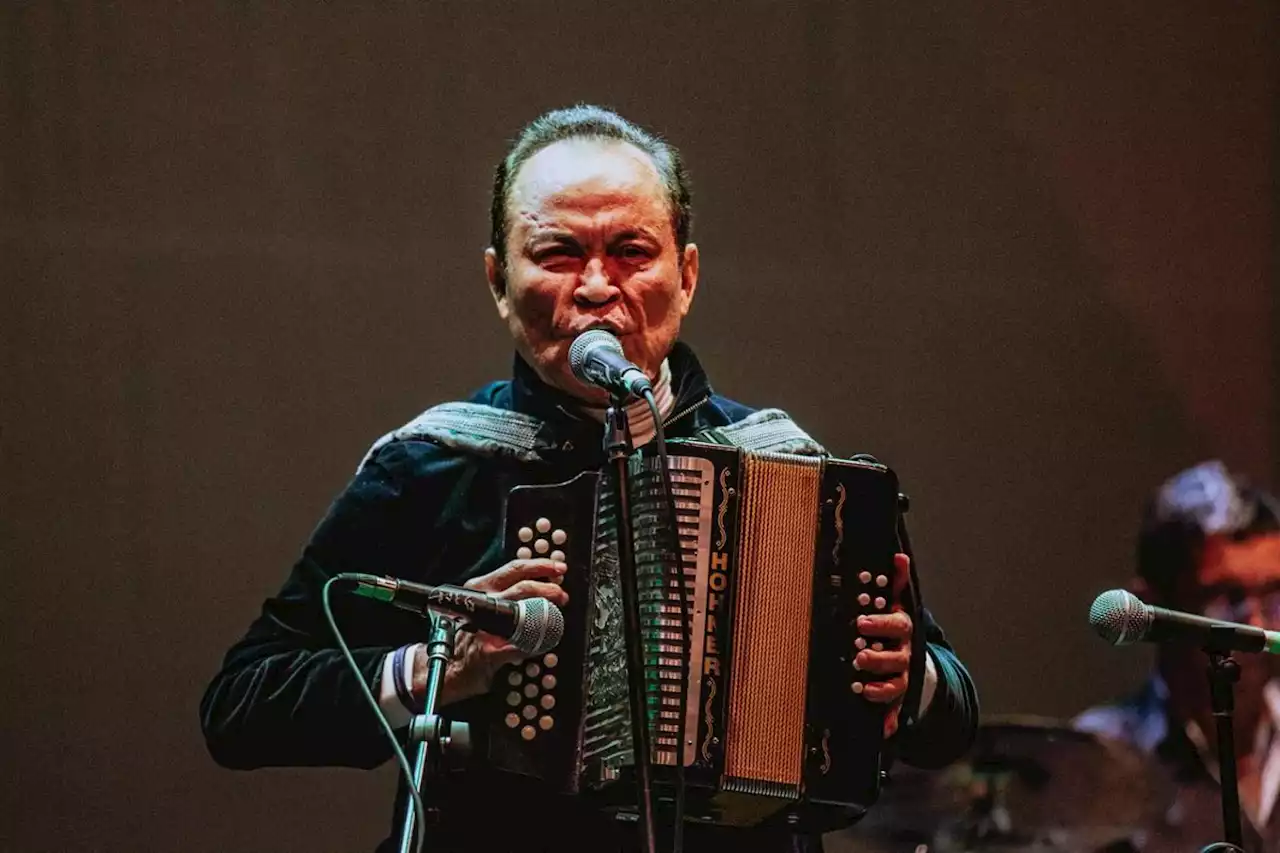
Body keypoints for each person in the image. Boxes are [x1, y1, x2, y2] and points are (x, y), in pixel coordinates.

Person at [200, 104, 979, 853]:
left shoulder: (792, 468)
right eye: (559, 253)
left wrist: (906, 683)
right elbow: (242, 706)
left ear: (688, 276)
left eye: (633, 253)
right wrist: (444, 666)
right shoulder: (434, 464)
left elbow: (951, 715)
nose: (598, 286)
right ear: (500, 282)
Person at [1075, 460, 1280, 851]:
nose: (1256, 623)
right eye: (1226, 597)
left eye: (1273, 595)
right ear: (1154, 605)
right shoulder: (1094, 759)